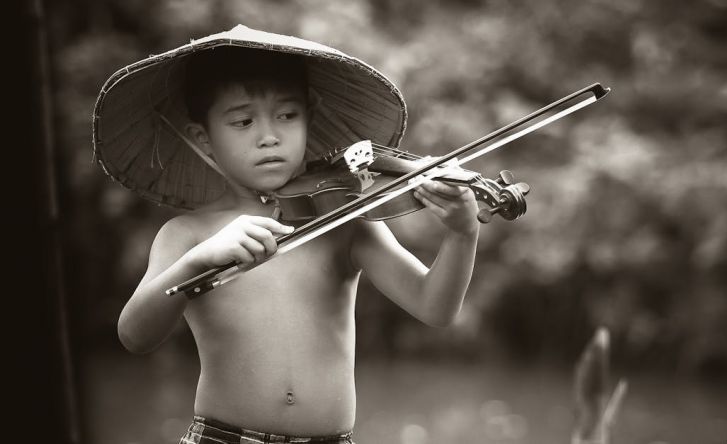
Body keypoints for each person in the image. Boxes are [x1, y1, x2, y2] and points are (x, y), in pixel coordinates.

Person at [92, 25, 479, 444]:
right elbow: (134, 335)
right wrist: (198, 261)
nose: (269, 136)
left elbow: (435, 307)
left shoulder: (345, 218)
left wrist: (462, 233)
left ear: (309, 117)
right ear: (202, 139)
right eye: (243, 121)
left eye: (288, 115)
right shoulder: (188, 234)